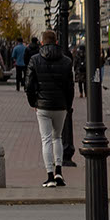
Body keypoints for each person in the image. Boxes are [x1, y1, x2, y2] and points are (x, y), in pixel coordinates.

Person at [24, 29, 74, 187]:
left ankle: (50, 176)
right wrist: (68, 105)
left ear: (42, 42)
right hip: (60, 106)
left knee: (46, 139)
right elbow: (70, 87)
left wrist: (33, 102)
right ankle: (59, 172)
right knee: (57, 138)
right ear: (56, 42)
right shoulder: (66, 61)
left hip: (43, 106)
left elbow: (28, 85)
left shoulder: (34, 60)